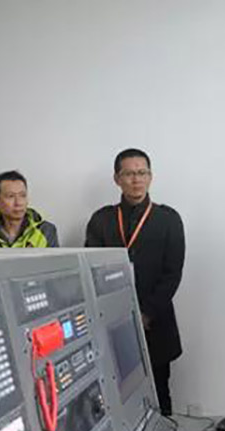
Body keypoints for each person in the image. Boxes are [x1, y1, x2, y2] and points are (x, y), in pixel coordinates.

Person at [85, 149, 185, 417]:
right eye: (129, 174)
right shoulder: (101, 219)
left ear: (150, 176)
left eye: (142, 173)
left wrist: (145, 313)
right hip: (111, 323)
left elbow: (172, 273)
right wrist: (117, 316)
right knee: (114, 394)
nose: (136, 179)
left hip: (156, 322)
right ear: (117, 179)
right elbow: (92, 273)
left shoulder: (168, 219)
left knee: (159, 390)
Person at [0, 170, 59, 248]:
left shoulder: (46, 230)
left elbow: (55, 263)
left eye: (23, 195)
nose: (18, 203)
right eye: (10, 196)